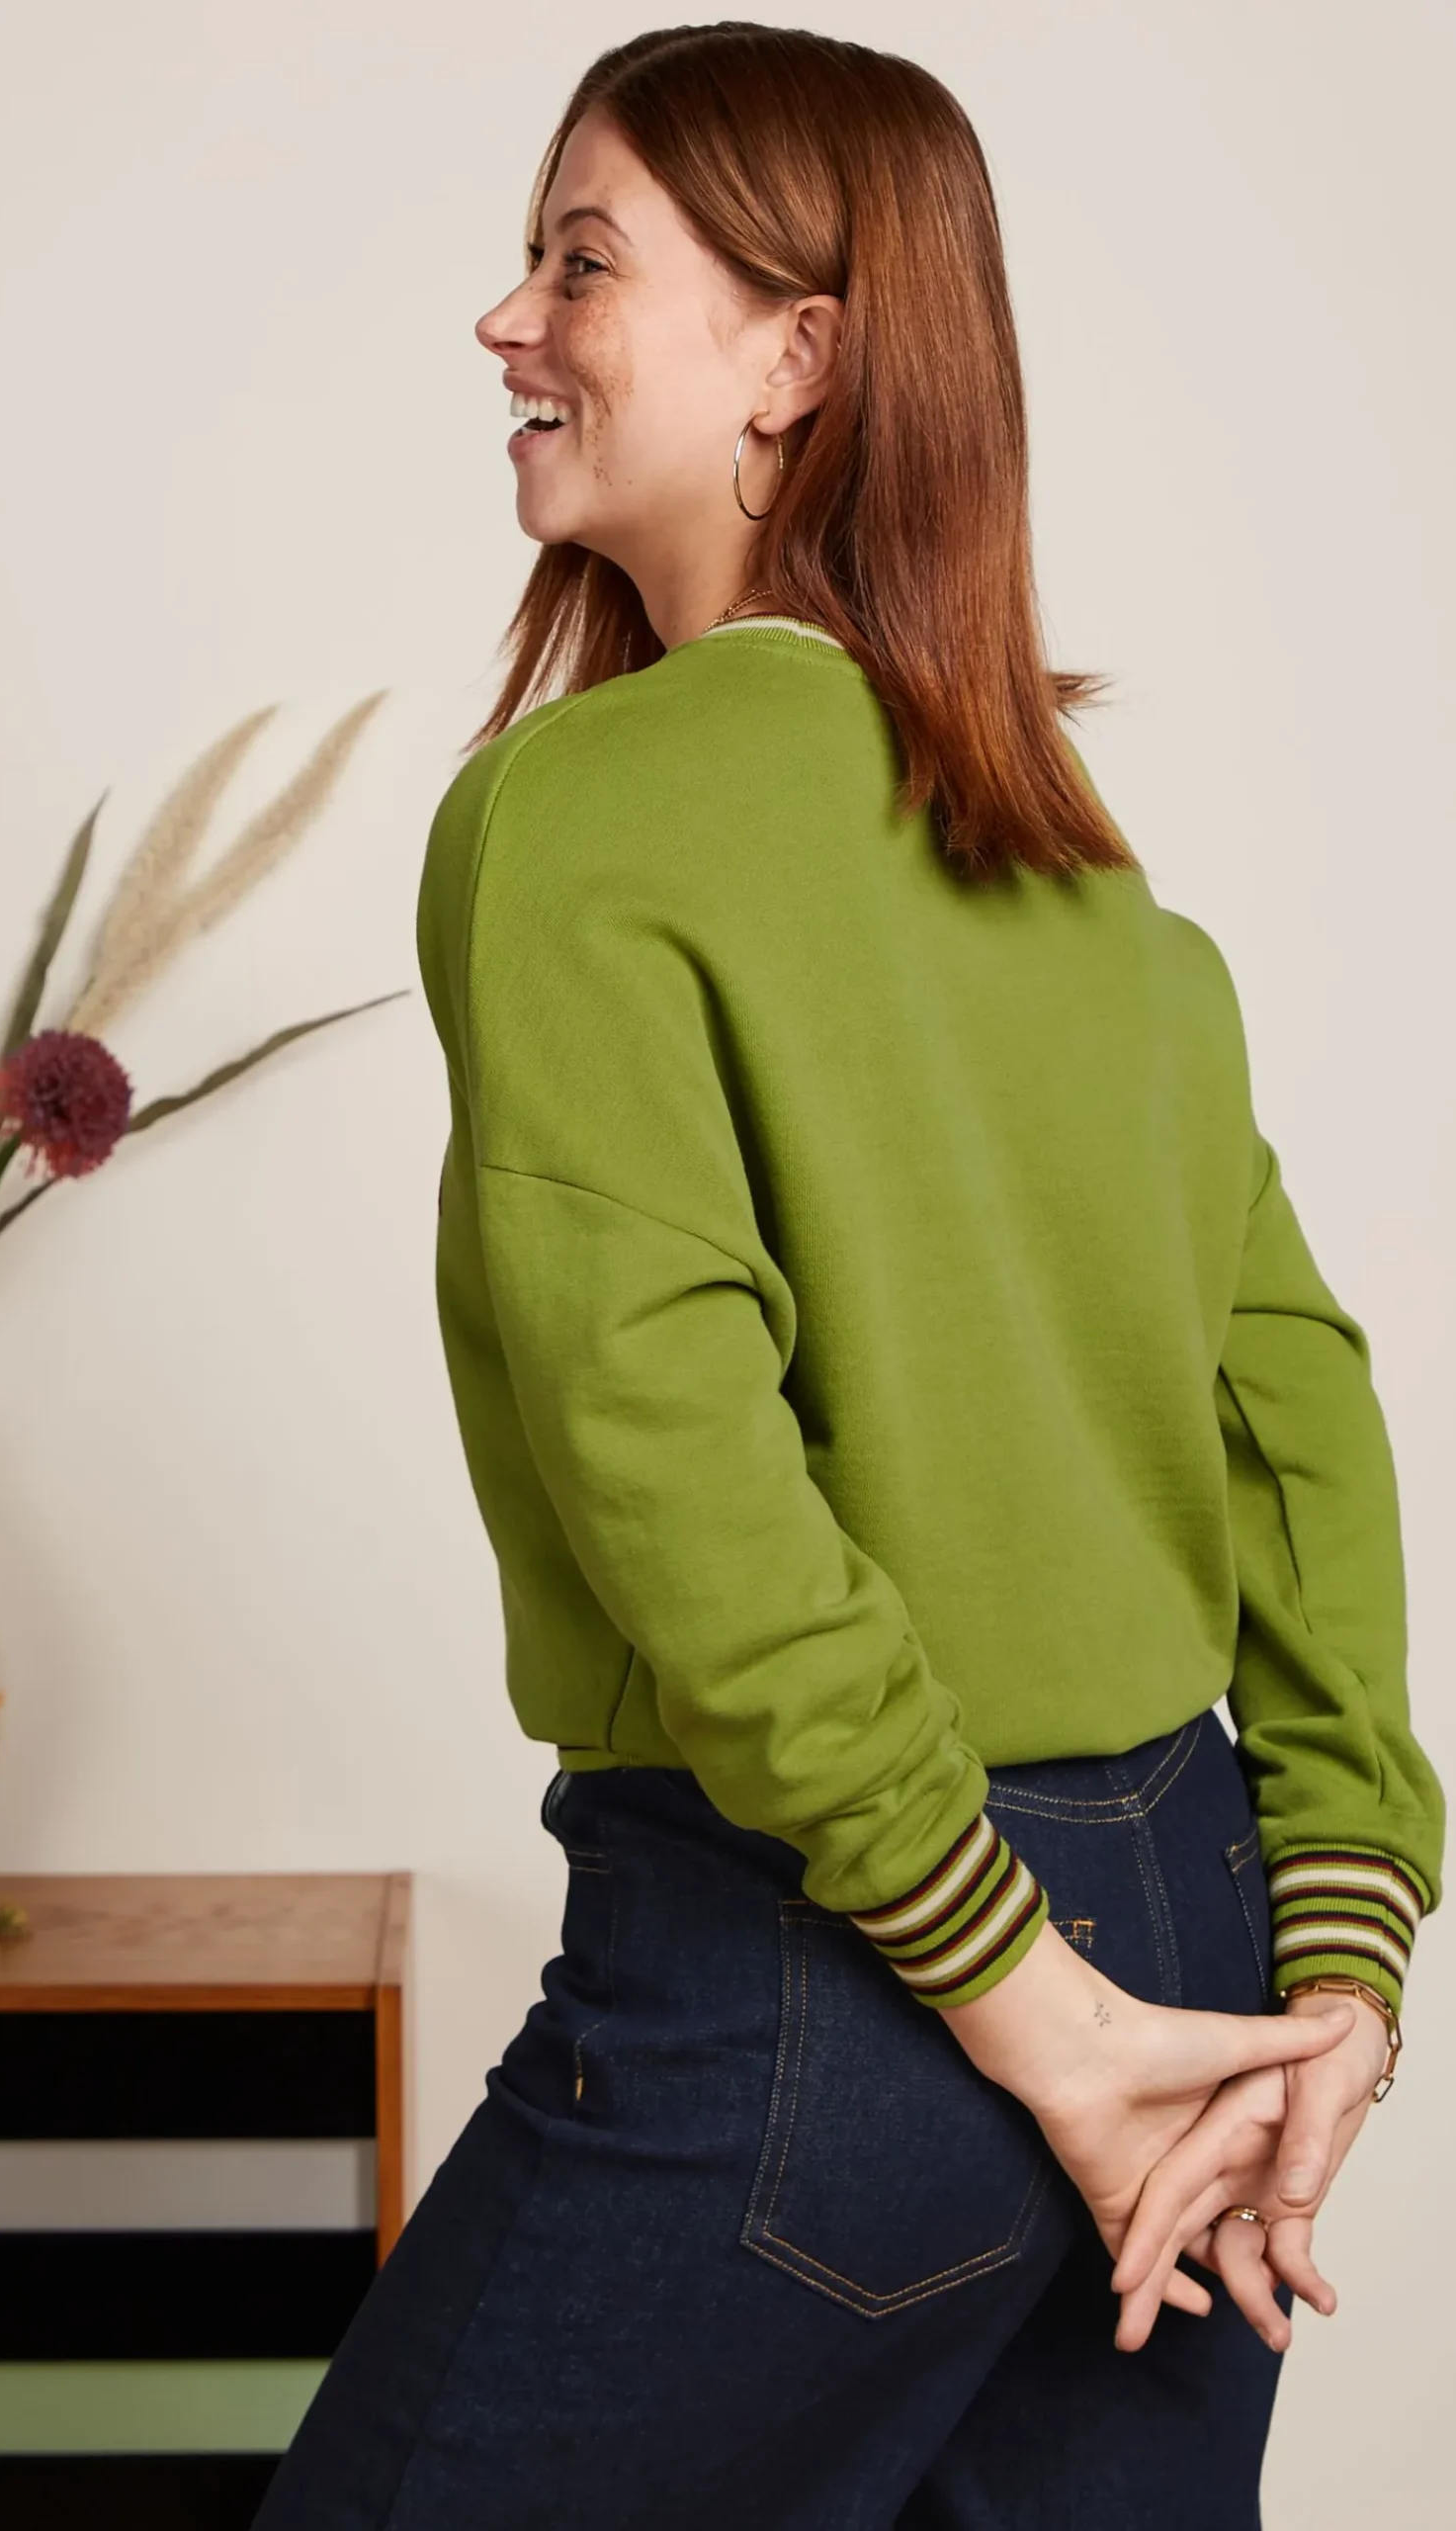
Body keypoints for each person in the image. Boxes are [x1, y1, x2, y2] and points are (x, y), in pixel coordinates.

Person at [252, 25, 1443, 2529]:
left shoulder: (577, 809)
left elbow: (673, 1456)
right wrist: (1336, 1965)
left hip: (850, 1947)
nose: (505, 316)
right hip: (1192, 1915)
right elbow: (1301, 1426)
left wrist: (1008, 1983)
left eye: (583, 259)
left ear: (798, 353)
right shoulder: (1089, 885)